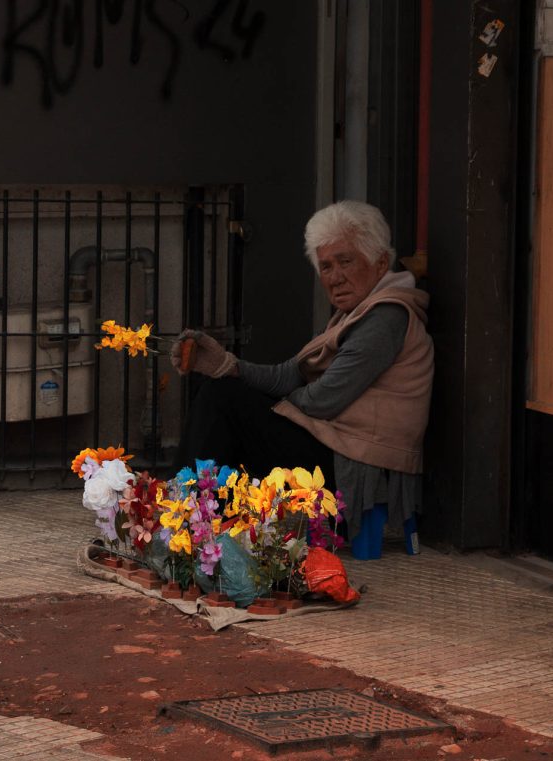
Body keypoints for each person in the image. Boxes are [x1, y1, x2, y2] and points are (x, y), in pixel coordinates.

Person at [172, 200, 434, 547]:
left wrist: (257, 404)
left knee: (224, 400)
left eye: (345, 261)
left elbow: (321, 400)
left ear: (380, 262)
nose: (334, 277)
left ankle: (190, 525)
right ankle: (198, 523)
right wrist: (228, 366)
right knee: (222, 392)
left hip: (354, 463)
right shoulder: (353, 314)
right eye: (325, 266)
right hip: (333, 447)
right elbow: (289, 374)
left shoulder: (385, 318)